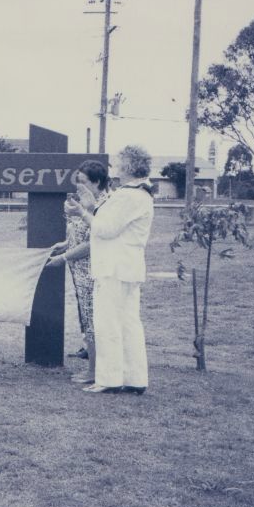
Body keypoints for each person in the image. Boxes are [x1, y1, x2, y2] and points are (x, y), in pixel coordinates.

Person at [82, 145, 154, 395]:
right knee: (128, 323)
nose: (115, 168)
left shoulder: (127, 195)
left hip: (113, 267)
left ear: (129, 166)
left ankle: (109, 379)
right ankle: (134, 378)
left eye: (119, 163)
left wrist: (85, 212)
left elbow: (104, 229)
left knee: (108, 323)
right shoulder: (141, 193)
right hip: (128, 266)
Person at [46, 160, 111, 384]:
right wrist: (65, 244)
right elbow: (79, 234)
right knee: (86, 318)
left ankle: (94, 371)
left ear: (97, 182)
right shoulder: (85, 203)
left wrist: (64, 257)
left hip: (93, 271)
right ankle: (94, 366)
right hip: (79, 271)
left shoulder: (104, 206)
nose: (78, 186)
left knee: (92, 319)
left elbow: (92, 243)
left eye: (83, 181)